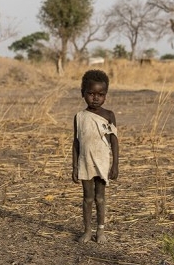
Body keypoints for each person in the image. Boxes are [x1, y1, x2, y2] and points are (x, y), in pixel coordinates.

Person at [72, 69, 119, 244]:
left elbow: (114, 141)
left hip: (102, 161)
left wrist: (115, 165)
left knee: (100, 197)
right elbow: (76, 142)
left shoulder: (108, 115)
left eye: (101, 94)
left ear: (106, 94)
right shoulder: (79, 117)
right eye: (91, 93)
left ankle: (100, 231)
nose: (96, 98)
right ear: (82, 93)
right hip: (85, 161)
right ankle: (86, 231)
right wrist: (74, 166)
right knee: (87, 198)